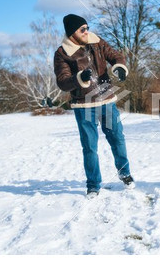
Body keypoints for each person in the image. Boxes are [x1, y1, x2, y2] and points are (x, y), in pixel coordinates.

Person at [54, 14, 134, 199]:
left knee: (117, 138)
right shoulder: (62, 53)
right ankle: (93, 185)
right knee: (90, 146)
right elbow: (63, 82)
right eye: (82, 29)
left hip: (106, 98)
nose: (86, 31)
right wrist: (79, 78)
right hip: (84, 105)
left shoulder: (97, 42)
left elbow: (115, 56)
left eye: (87, 27)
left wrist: (119, 66)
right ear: (72, 32)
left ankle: (125, 173)